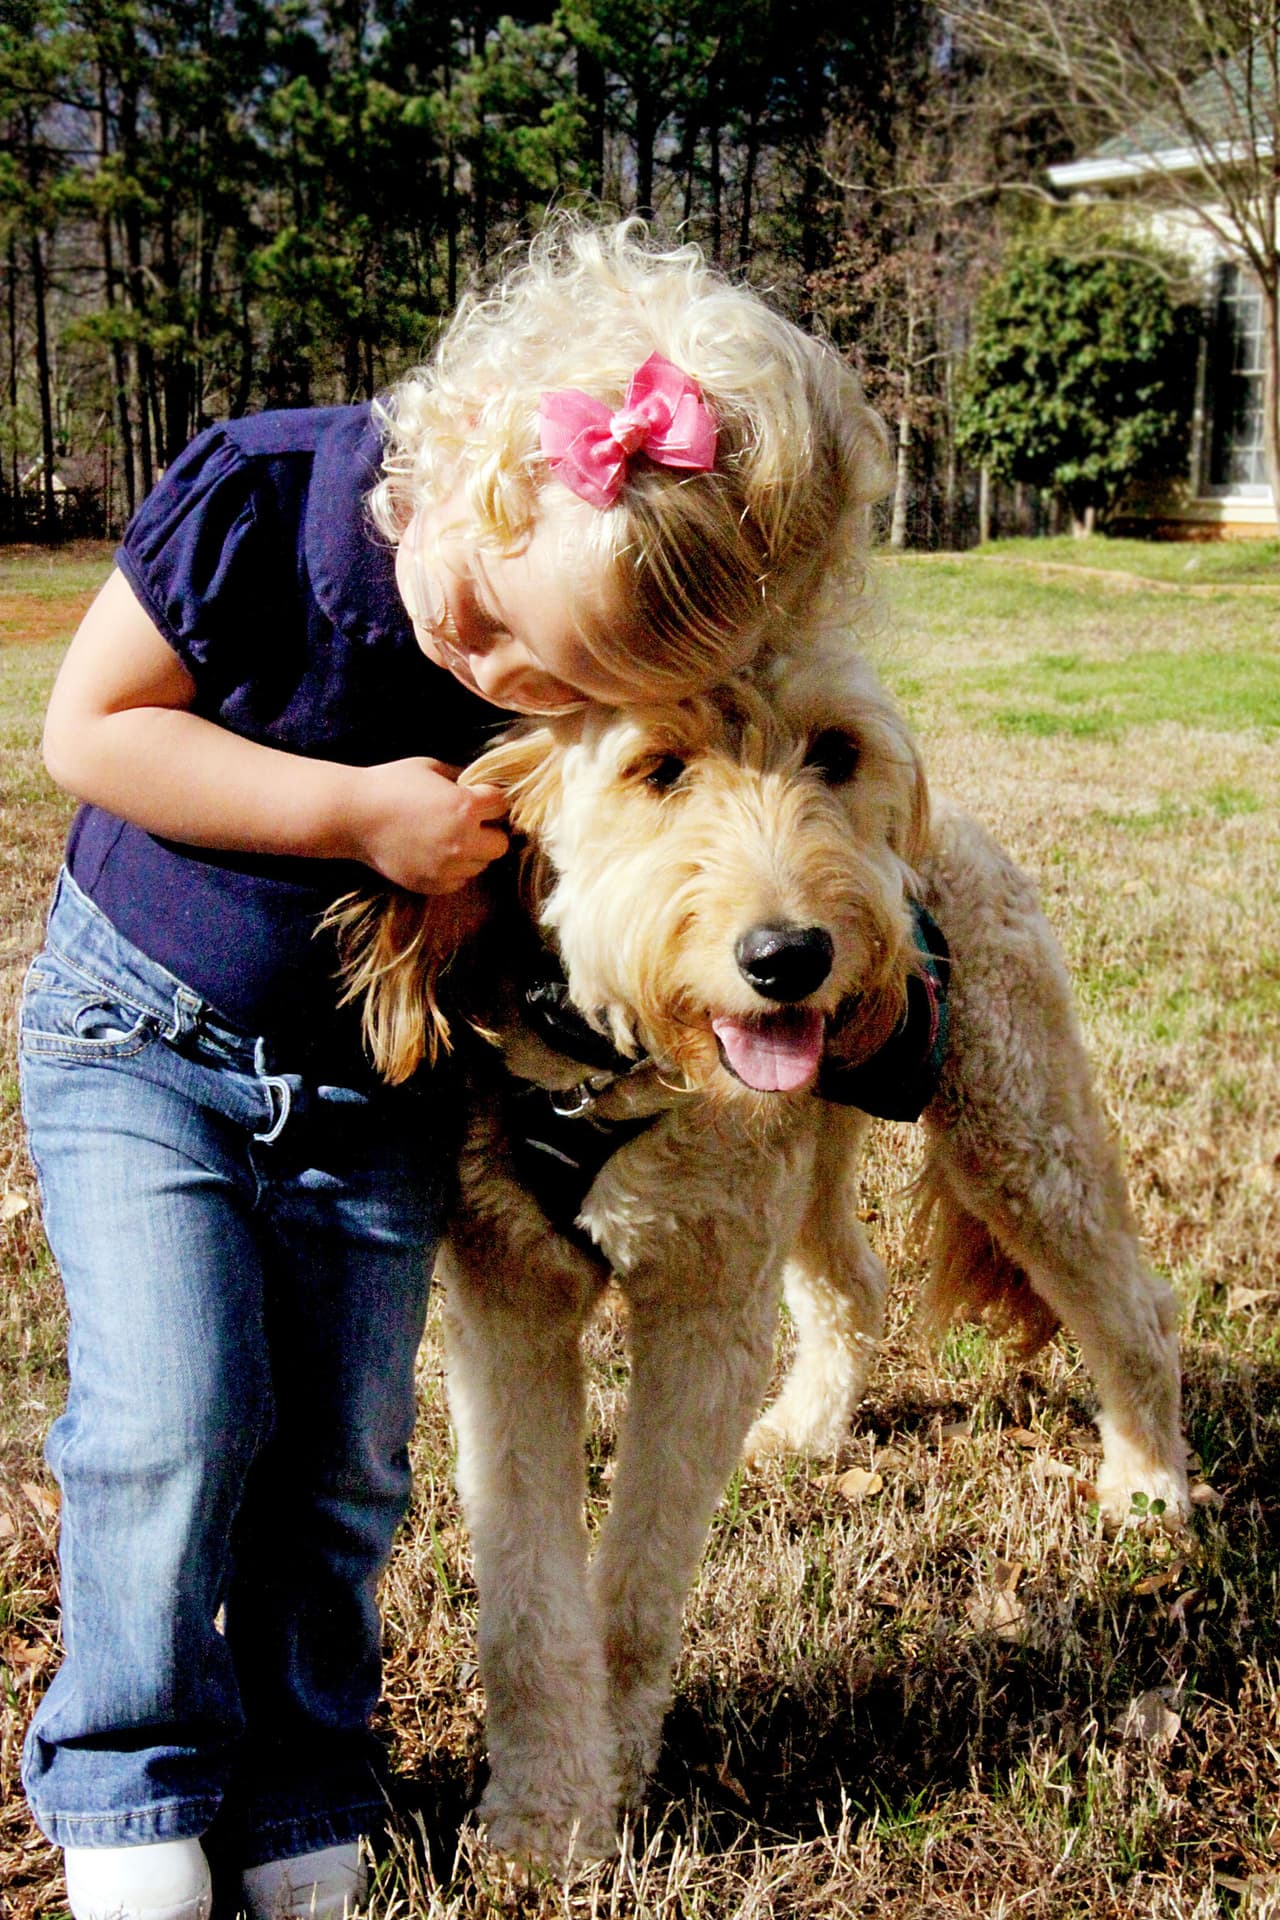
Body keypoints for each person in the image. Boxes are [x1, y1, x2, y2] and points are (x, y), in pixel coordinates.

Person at [18, 215, 890, 1920]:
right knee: (171, 1423)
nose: (496, 681)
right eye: (493, 626)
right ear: (481, 466)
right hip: (142, 1039)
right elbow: (83, 735)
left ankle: (299, 1790)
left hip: (376, 1088)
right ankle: (128, 1792)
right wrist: (356, 812)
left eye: (565, 681)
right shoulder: (260, 493)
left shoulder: (581, 622)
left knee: (347, 1467)